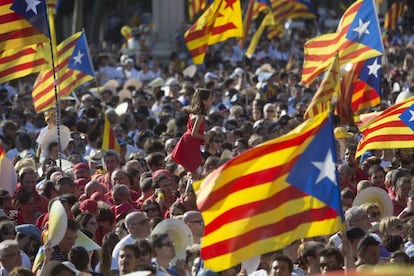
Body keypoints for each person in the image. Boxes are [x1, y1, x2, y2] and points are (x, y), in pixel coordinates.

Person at [171, 88, 212, 177]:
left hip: (188, 140)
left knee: (194, 173)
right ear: (204, 101)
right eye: (210, 99)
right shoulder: (200, 115)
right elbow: (194, 133)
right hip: (191, 143)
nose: (211, 101)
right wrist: (205, 137)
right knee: (196, 172)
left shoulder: (193, 113)